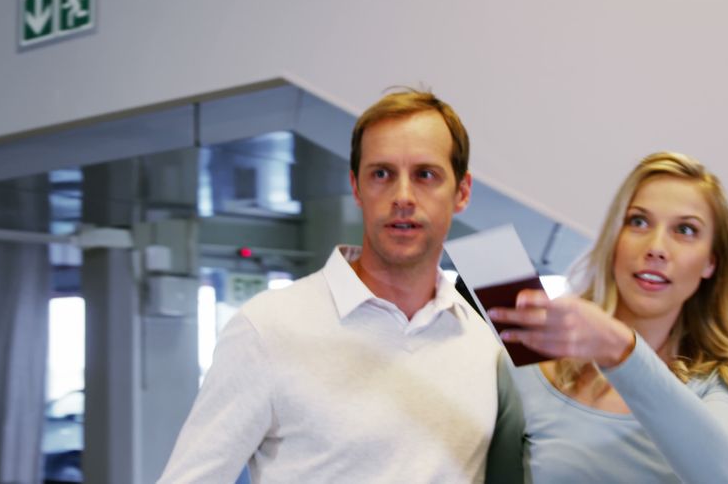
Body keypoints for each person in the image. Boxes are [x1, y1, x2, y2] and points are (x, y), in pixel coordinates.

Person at [158, 90, 522, 483]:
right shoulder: (266, 329)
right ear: (356, 187)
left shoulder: (486, 338)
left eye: (425, 175)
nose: (402, 197)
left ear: (463, 192)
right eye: (381, 174)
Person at [488, 151, 728, 484]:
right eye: (638, 222)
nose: (656, 247)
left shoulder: (719, 379)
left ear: (710, 263)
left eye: (685, 230)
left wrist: (621, 349)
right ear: (615, 239)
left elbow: (718, 472)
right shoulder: (529, 363)